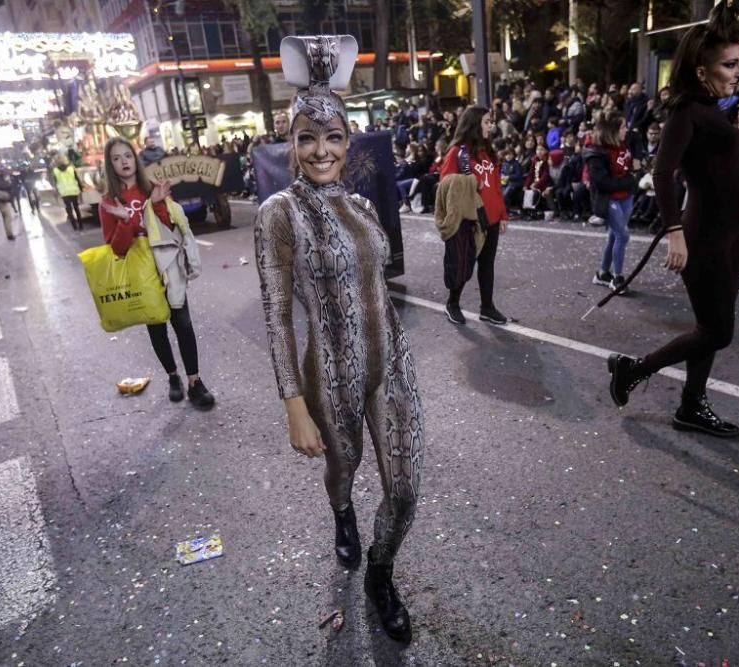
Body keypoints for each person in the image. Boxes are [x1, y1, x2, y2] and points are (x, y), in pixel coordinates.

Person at [253, 34, 423, 644]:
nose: (321, 150)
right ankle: (343, 512)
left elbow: (382, 282)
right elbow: (277, 316)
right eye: (307, 137)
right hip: (330, 377)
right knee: (344, 471)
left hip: (393, 366)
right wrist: (293, 404)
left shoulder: (361, 202)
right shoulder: (278, 213)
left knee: (404, 490)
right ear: (292, 144)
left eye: (332, 137)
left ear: (347, 142)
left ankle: (381, 572)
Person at [607, 0, 739, 438]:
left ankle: (691, 405)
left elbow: (727, 182)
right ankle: (633, 370)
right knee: (718, 332)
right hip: (702, 238)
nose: (738, 72)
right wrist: (674, 232)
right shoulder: (686, 112)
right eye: (730, 64)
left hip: (727, 239)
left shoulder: (716, 112)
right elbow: (662, 172)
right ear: (702, 69)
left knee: (710, 329)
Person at [98, 137, 216, 408]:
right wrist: (126, 221)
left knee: (183, 324)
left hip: (168, 267)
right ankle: (173, 376)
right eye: (116, 158)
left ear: (135, 158)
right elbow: (116, 249)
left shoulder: (152, 188)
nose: (124, 162)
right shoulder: (108, 202)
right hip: (141, 274)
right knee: (157, 326)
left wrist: (158, 204)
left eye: (127, 155)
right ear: (110, 164)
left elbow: (171, 227)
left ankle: (195, 382)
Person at [440, 106, 509, 325]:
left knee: (487, 264)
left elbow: (496, 185)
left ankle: (487, 308)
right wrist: (469, 183)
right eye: (487, 122)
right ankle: (452, 303)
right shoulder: (457, 152)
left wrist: (503, 214)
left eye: (491, 121)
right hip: (470, 219)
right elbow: (445, 186)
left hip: (492, 218)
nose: (491, 126)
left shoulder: (488, 151)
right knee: (463, 263)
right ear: (475, 124)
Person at [586, 109, 636, 293]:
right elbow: (602, 183)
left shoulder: (624, 144)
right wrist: (630, 181)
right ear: (613, 131)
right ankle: (618, 278)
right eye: (623, 127)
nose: (626, 130)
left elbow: (629, 164)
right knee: (623, 236)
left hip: (626, 196)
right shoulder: (596, 153)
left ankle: (602, 273)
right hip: (610, 199)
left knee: (614, 236)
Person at [52, 155, 83, 231]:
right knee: (76, 208)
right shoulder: (71, 168)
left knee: (69, 209)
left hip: (64, 193)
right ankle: (81, 225)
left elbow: (55, 183)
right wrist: (81, 188)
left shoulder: (55, 171)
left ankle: (74, 226)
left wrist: (56, 192)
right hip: (73, 191)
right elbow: (77, 179)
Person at [0, 168, 16, 241]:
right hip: (1, 199)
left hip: (0, 199)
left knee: (5, 216)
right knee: (8, 216)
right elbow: (4, 186)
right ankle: (10, 234)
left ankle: (9, 233)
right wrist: (8, 182)